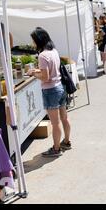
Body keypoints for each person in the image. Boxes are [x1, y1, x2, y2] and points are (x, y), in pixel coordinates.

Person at [28, 27, 71, 158]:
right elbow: (51, 72)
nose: (33, 43)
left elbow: (45, 77)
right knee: (64, 118)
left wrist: (33, 74)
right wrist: (38, 71)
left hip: (51, 90)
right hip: (60, 87)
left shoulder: (42, 55)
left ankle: (56, 148)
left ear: (38, 40)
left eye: (33, 40)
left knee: (55, 122)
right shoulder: (54, 51)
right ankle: (66, 142)